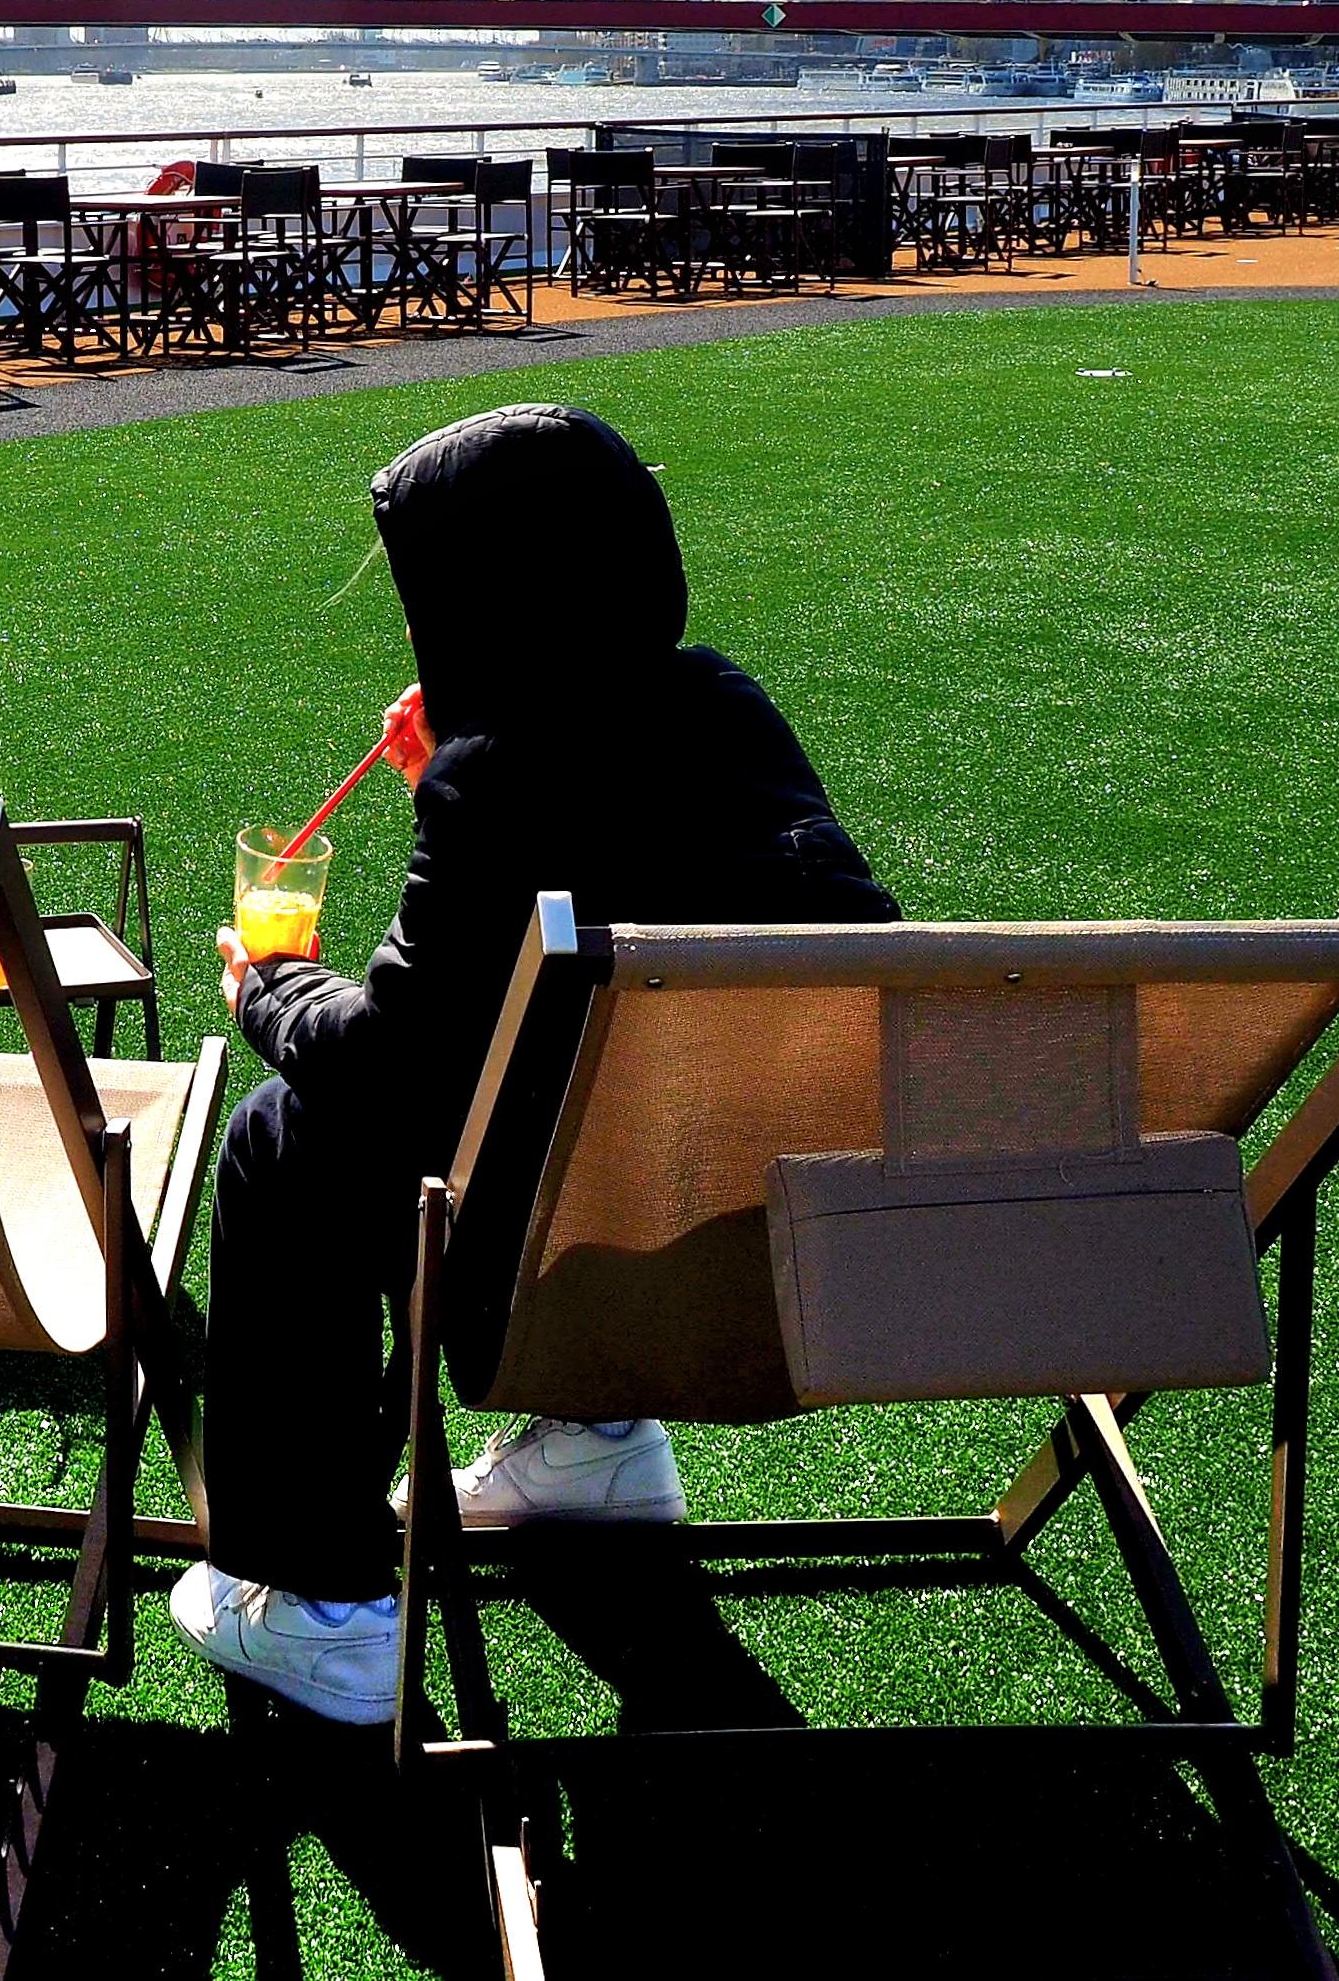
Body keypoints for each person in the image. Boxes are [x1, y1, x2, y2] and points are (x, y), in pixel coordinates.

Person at [168, 402, 898, 1725]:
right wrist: (446, 769)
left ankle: (318, 1597)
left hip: (563, 1268)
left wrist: (270, 982)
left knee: (290, 1129)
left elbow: (397, 1067)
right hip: (794, 1257)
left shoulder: (496, 772)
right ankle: (592, 1445)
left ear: (483, 588)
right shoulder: (723, 700)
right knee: (591, 1092)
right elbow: (623, 871)